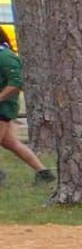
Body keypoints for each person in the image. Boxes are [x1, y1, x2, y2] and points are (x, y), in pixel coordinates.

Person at [0, 28, 53, 183]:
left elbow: (16, 82)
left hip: (3, 108)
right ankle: (43, 173)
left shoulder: (5, 56)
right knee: (10, 143)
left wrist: (1, 97)